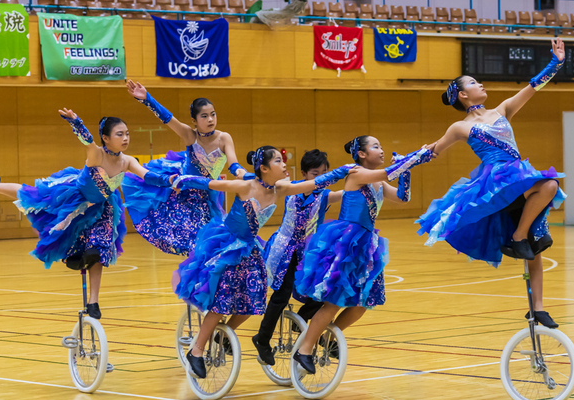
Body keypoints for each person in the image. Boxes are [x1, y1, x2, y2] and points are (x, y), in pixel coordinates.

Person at [417, 38, 567, 328]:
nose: (481, 84)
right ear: (463, 94)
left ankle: (537, 306)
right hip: (496, 183)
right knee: (547, 185)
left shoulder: (502, 110)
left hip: (518, 177)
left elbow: (534, 86)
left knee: (539, 231)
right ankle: (518, 237)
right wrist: (403, 164)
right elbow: (433, 151)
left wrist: (556, 63)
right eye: (474, 82)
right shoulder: (460, 127)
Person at [172, 146, 356, 379]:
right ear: (265, 168)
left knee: (253, 303)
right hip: (228, 245)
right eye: (279, 161)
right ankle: (196, 350)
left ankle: (224, 334)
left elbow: (313, 185)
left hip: (250, 249)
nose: (284, 164)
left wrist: (342, 172)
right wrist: (177, 179)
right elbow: (207, 184)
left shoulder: (281, 189)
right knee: (221, 303)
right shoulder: (245, 185)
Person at [0, 110, 168, 319]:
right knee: (32, 194)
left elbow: (148, 176)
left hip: (102, 208)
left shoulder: (128, 161)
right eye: (119, 134)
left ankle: (94, 302)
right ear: (106, 138)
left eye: (127, 134)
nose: (126, 138)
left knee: (98, 251)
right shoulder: (97, 155)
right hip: (74, 198)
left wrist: (171, 181)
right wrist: (76, 122)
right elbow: (87, 141)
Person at [292, 137, 432, 374]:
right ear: (362, 154)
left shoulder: (377, 182)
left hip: (366, 245)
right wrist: (415, 157)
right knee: (334, 300)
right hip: (346, 241)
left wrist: (408, 168)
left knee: (364, 302)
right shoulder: (356, 174)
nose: (382, 149)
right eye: (376, 146)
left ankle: (327, 338)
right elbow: (389, 173)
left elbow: (403, 197)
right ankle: (304, 349)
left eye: (381, 145)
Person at [122, 80, 251, 256]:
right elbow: (167, 118)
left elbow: (234, 164)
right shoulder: (190, 135)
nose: (210, 119)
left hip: (208, 195)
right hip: (183, 192)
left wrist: (242, 174)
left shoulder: (224, 138)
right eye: (204, 116)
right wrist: (146, 98)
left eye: (213, 114)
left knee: (209, 244)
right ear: (194, 120)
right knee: (189, 244)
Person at [252, 149, 343, 366]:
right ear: (303, 173)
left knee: (323, 291)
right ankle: (262, 339)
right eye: (315, 173)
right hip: (283, 249)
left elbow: (348, 194)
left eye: (324, 173)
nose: (320, 178)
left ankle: (301, 319)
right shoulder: (290, 188)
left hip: (308, 253)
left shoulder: (325, 196)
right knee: (281, 296)